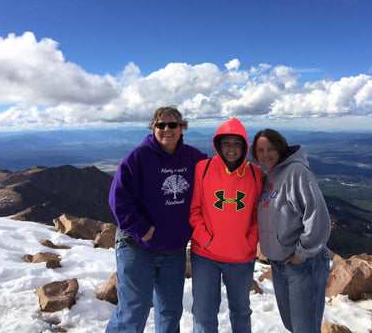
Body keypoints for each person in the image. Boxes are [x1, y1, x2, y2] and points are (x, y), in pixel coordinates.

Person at [106, 107, 207, 333]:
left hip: (174, 249)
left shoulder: (193, 157)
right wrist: (142, 229)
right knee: (133, 310)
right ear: (153, 128)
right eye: (160, 125)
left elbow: (216, 175)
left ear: (182, 128)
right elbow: (118, 198)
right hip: (137, 245)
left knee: (170, 310)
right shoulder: (138, 157)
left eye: (173, 125)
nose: (166, 129)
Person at [252, 129, 331, 333]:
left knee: (305, 328)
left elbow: (318, 218)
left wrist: (301, 254)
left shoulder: (297, 172)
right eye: (260, 150)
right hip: (280, 264)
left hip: (304, 265)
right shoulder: (269, 175)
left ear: (281, 149)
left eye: (271, 149)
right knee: (291, 325)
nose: (265, 154)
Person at [189, 117, 263, 333]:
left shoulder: (255, 173)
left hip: (241, 257)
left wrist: (249, 241)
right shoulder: (203, 168)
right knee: (203, 314)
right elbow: (194, 211)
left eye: (237, 143)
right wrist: (207, 240)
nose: (231, 149)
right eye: (227, 143)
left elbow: (259, 215)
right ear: (218, 145)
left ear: (244, 146)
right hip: (205, 255)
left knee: (241, 312)